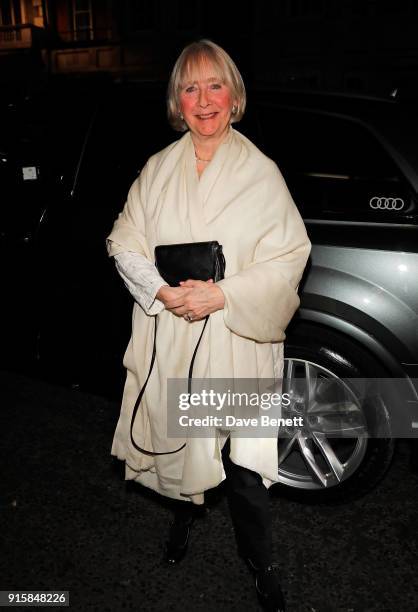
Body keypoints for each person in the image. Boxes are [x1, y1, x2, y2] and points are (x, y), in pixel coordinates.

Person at [106, 39, 311, 611]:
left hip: (235, 339)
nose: (203, 99)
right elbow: (125, 239)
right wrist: (162, 291)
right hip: (173, 333)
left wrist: (222, 295)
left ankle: (261, 562)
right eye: (190, 87)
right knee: (179, 446)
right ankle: (181, 522)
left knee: (243, 467)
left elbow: (290, 254)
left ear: (234, 94)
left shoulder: (260, 172)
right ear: (177, 99)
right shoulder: (157, 168)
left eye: (214, 84)